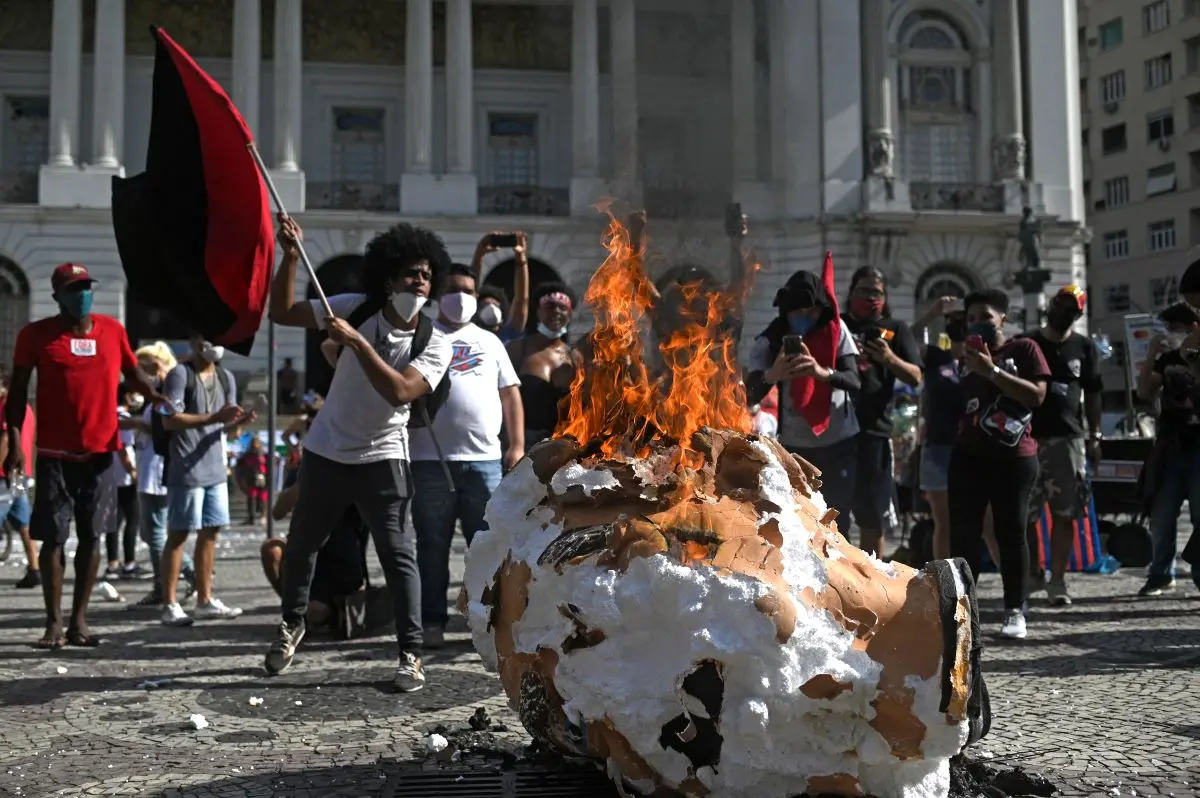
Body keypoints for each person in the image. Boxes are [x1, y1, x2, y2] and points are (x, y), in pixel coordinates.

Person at [265, 215, 451, 691]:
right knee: (303, 543)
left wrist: (355, 342)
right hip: (327, 450)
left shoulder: (436, 342)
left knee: (397, 553)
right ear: (389, 279)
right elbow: (282, 312)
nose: (420, 280)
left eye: (427, 274)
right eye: (411, 272)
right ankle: (292, 624)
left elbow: (401, 392)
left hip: (384, 456)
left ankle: (410, 653)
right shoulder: (353, 306)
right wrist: (289, 257)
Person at [5, 263, 165, 648]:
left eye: (86, 288)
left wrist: (154, 395)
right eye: (73, 290)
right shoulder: (36, 336)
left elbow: (133, 373)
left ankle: (80, 621)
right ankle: (53, 623)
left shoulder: (113, 332)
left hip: (101, 453)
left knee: (93, 536)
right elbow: (17, 394)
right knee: (53, 539)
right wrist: (14, 443)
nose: (82, 296)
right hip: (54, 455)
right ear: (57, 296)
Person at [410, 264, 524, 648]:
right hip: (429, 460)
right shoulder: (421, 335)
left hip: (484, 460)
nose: (462, 297)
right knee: (432, 545)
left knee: (489, 548)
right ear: (438, 295)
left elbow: (510, 393)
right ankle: (431, 621)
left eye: (470, 290)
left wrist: (517, 444)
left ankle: (489, 622)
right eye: (454, 288)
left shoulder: (490, 342)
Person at [948, 289, 1049, 640]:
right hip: (969, 454)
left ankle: (1014, 610)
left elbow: (1036, 395)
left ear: (1003, 319)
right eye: (971, 318)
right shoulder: (963, 358)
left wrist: (992, 371)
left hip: (1014, 455)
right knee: (963, 535)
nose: (977, 323)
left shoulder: (1023, 349)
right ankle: (965, 613)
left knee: (1011, 530)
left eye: (986, 317)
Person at [745, 269, 862, 529]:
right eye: (797, 313)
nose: (805, 318)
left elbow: (854, 380)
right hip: (796, 447)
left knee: (837, 517)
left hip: (839, 441)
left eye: (811, 312)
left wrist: (821, 373)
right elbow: (748, 393)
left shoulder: (835, 330)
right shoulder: (771, 339)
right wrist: (773, 374)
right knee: (802, 520)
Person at [1021, 285, 1103, 607]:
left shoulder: (1085, 347)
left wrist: (1095, 435)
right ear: (1051, 304)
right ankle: (1032, 574)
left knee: (1066, 513)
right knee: (1026, 515)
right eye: (1061, 304)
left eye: (1072, 309)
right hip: (1028, 438)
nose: (1064, 312)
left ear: (1078, 315)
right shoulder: (1028, 343)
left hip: (1068, 440)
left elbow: (1094, 392)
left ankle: (1058, 580)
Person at [158, 333, 248, 627]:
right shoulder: (179, 375)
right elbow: (169, 420)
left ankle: (205, 599)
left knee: (211, 533)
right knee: (179, 534)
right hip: (186, 469)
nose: (216, 346)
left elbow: (229, 426)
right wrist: (213, 418)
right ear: (197, 343)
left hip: (215, 469)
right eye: (210, 340)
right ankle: (169, 603)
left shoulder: (226, 377)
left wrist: (240, 423)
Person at [910, 300, 1002, 565]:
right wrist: (931, 313)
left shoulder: (983, 358)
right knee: (944, 522)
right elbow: (903, 340)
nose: (956, 325)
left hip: (974, 448)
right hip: (938, 447)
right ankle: (946, 587)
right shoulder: (938, 357)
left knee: (987, 522)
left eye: (963, 320)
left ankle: (1012, 590)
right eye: (951, 320)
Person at [839, 267, 922, 557]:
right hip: (835, 433)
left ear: (885, 297)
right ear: (851, 293)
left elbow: (915, 376)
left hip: (875, 431)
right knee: (834, 515)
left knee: (872, 517)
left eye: (876, 292)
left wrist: (888, 358)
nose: (869, 297)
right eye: (863, 290)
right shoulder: (837, 325)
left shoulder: (896, 328)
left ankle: (871, 578)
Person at [1134, 300, 1200, 596]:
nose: (1170, 333)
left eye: (1175, 328)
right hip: (1170, 446)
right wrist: (1150, 356)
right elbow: (1145, 392)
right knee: (1161, 513)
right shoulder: (1166, 358)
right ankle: (1161, 573)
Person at [128, 342, 196, 609]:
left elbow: (166, 426)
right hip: (150, 467)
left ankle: (169, 580)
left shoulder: (169, 389)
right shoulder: (158, 392)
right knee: (151, 531)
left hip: (157, 469)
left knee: (155, 531)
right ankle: (183, 574)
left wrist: (135, 424)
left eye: (143, 369)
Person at [261, 464, 367, 628]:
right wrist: (306, 482)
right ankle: (295, 609)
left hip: (339, 558)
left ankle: (326, 611)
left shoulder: (351, 471)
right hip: (304, 554)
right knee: (271, 549)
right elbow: (278, 512)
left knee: (317, 612)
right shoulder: (302, 471)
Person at [507, 282, 579, 446]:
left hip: (561, 447)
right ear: (538, 311)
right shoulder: (517, 349)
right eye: (550, 306)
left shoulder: (575, 357)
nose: (556, 312)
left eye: (563, 308)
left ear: (570, 314)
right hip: (521, 445)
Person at [0, 368, 37, 588]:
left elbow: (5, 441)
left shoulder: (8, 407)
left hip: (5, 474)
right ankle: (34, 568)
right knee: (23, 521)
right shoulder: (24, 406)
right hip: (20, 475)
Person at [107, 385, 144, 581]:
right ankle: (129, 563)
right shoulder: (123, 418)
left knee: (114, 521)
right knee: (132, 518)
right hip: (124, 474)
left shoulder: (108, 413)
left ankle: (112, 563)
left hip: (110, 474)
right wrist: (133, 470)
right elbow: (122, 447)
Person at [471, 231, 530, 342]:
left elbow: (522, 300)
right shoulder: (470, 332)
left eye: (495, 304)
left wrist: (521, 258)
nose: (491, 308)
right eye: (484, 304)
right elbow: (471, 287)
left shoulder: (509, 333)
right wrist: (479, 254)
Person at [236, 436, 269, 526]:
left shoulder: (264, 455)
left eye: (257, 443)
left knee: (263, 498)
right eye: (253, 443)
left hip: (263, 479)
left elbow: (269, 467)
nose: (255, 445)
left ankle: (263, 517)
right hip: (251, 479)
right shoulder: (247, 456)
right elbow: (241, 467)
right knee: (251, 498)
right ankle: (251, 517)